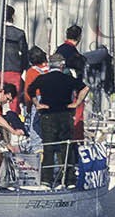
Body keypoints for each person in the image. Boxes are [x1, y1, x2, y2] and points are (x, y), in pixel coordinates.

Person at [32, 53, 85, 186]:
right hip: (64, 115)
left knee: (48, 148)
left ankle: (46, 180)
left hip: (48, 115)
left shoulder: (42, 78)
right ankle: (69, 179)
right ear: (61, 65)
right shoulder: (67, 78)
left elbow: (30, 90)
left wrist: (37, 104)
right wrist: (77, 102)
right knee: (66, 148)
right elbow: (85, 88)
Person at [0, 5, 29, 97]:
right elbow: (25, 54)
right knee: (14, 99)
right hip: (14, 69)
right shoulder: (19, 33)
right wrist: (22, 68)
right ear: (12, 16)